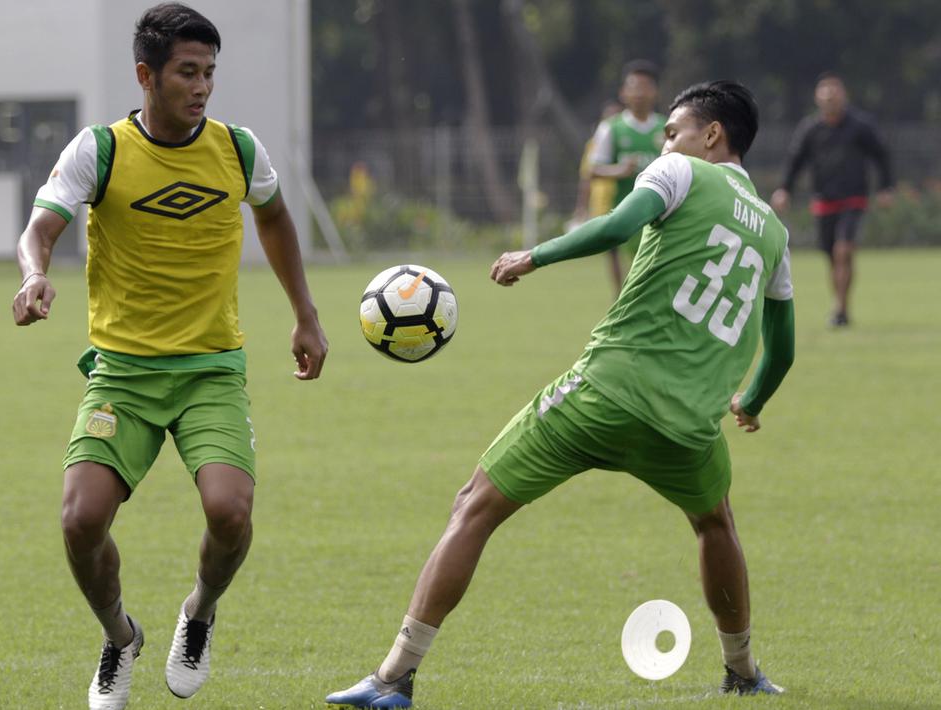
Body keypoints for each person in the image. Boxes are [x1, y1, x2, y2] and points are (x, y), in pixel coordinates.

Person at [326, 80, 793, 708]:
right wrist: (752, 401)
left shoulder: (680, 170)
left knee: (476, 505)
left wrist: (534, 255)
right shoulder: (773, 232)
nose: (665, 141)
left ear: (711, 134)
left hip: (606, 393)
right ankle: (743, 672)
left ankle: (393, 677)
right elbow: (782, 345)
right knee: (715, 524)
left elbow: (618, 224)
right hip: (690, 428)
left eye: (674, 130)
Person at [11, 4, 328, 709]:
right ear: (145, 75)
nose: (202, 86)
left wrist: (304, 314)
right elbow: (40, 227)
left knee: (230, 512)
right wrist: (34, 274)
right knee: (79, 520)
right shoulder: (101, 150)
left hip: (211, 370)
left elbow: (273, 216)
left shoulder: (239, 150)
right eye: (188, 72)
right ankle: (119, 638)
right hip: (123, 374)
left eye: (210, 72)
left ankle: (200, 613)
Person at [771, 72, 894, 327]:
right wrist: (784, 189)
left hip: (853, 198)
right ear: (818, 99)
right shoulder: (811, 129)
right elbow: (795, 160)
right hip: (824, 200)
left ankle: (840, 308)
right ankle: (841, 306)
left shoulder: (861, 126)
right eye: (825, 96)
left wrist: (885, 188)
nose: (830, 100)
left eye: (834, 95)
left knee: (842, 251)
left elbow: (882, 156)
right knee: (832, 256)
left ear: (843, 97)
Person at [587, 60, 667, 292]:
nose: (640, 93)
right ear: (623, 93)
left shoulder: (667, 129)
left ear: (655, 92)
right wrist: (618, 171)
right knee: (626, 288)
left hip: (661, 218)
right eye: (634, 87)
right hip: (626, 216)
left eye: (645, 87)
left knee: (653, 286)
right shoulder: (611, 128)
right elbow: (592, 170)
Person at [570, 100, 624, 294]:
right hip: (603, 202)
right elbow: (587, 176)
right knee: (614, 252)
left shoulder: (628, 140)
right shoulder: (594, 145)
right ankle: (620, 293)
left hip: (627, 199)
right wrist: (582, 205)